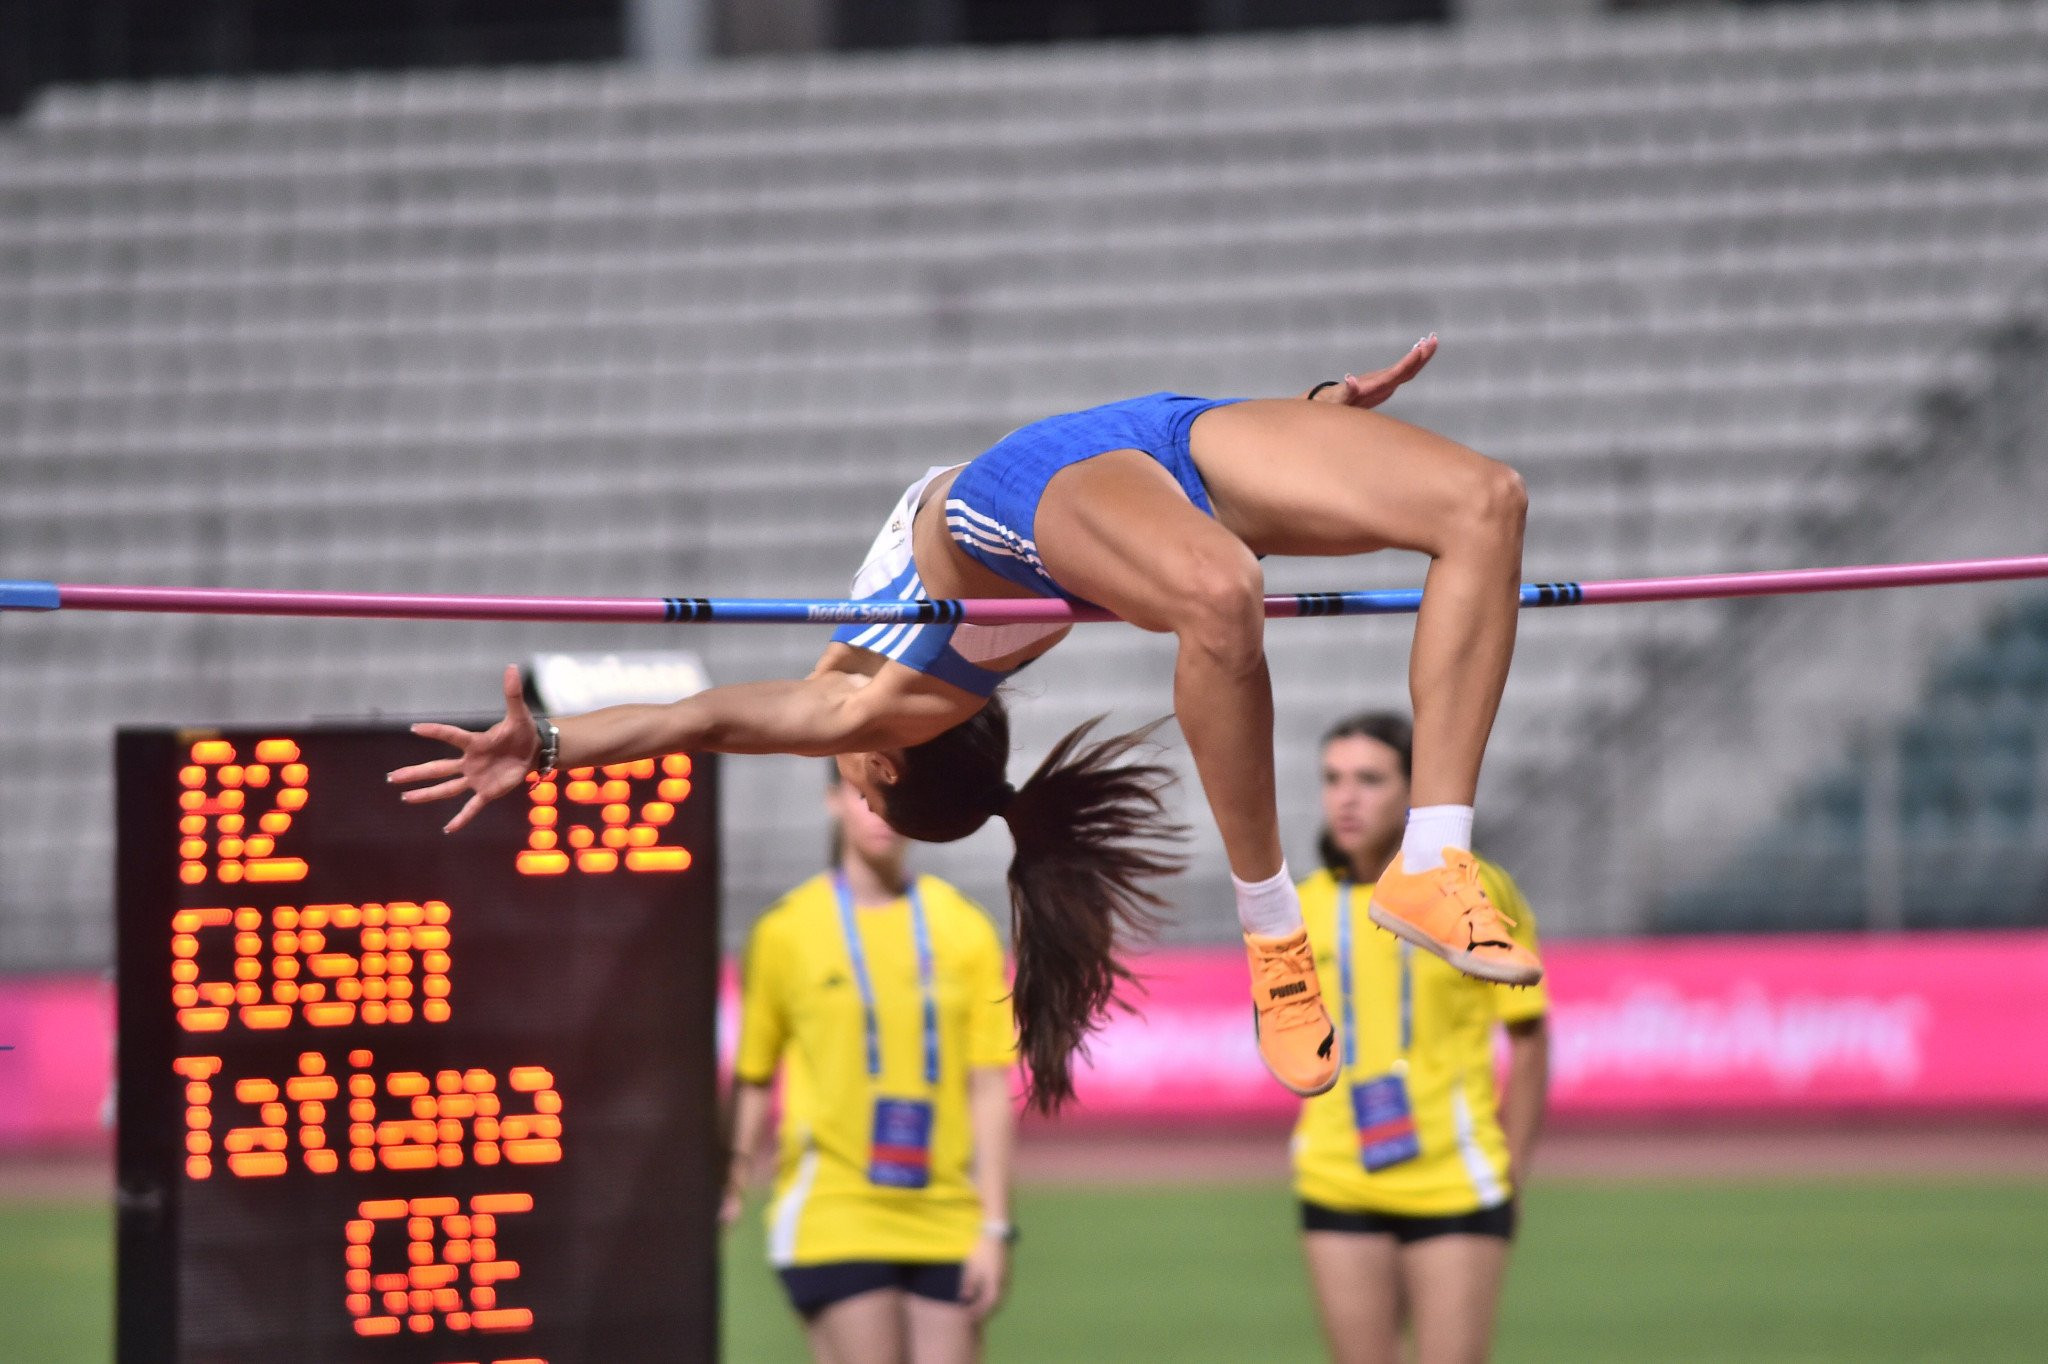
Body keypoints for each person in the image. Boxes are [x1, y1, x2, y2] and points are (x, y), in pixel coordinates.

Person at [389, 336, 1543, 1111]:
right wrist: (540, 745)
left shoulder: (877, 683)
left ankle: (1434, 857)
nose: (840, 777)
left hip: (1139, 447)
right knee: (1220, 594)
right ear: (886, 762)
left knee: (1484, 502)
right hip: (1044, 494)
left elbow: (701, 718)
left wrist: (548, 741)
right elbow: (705, 720)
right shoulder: (881, 700)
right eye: (856, 787)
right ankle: (1274, 937)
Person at [724, 764, 1017, 1364]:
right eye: (863, 794)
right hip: (834, 1210)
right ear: (833, 801)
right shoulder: (786, 932)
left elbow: (990, 1087)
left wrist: (994, 1226)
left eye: (895, 795)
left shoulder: (965, 929)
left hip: (944, 1213)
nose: (880, 810)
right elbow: (754, 1075)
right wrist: (732, 1176)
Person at [1292, 712, 1549, 1364]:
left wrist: (1513, 1170)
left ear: (1415, 793)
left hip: (1454, 1177)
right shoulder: (1301, 904)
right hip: (1338, 1177)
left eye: (1370, 779)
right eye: (1333, 779)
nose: (1346, 797)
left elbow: (1529, 1037)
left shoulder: (1477, 894)